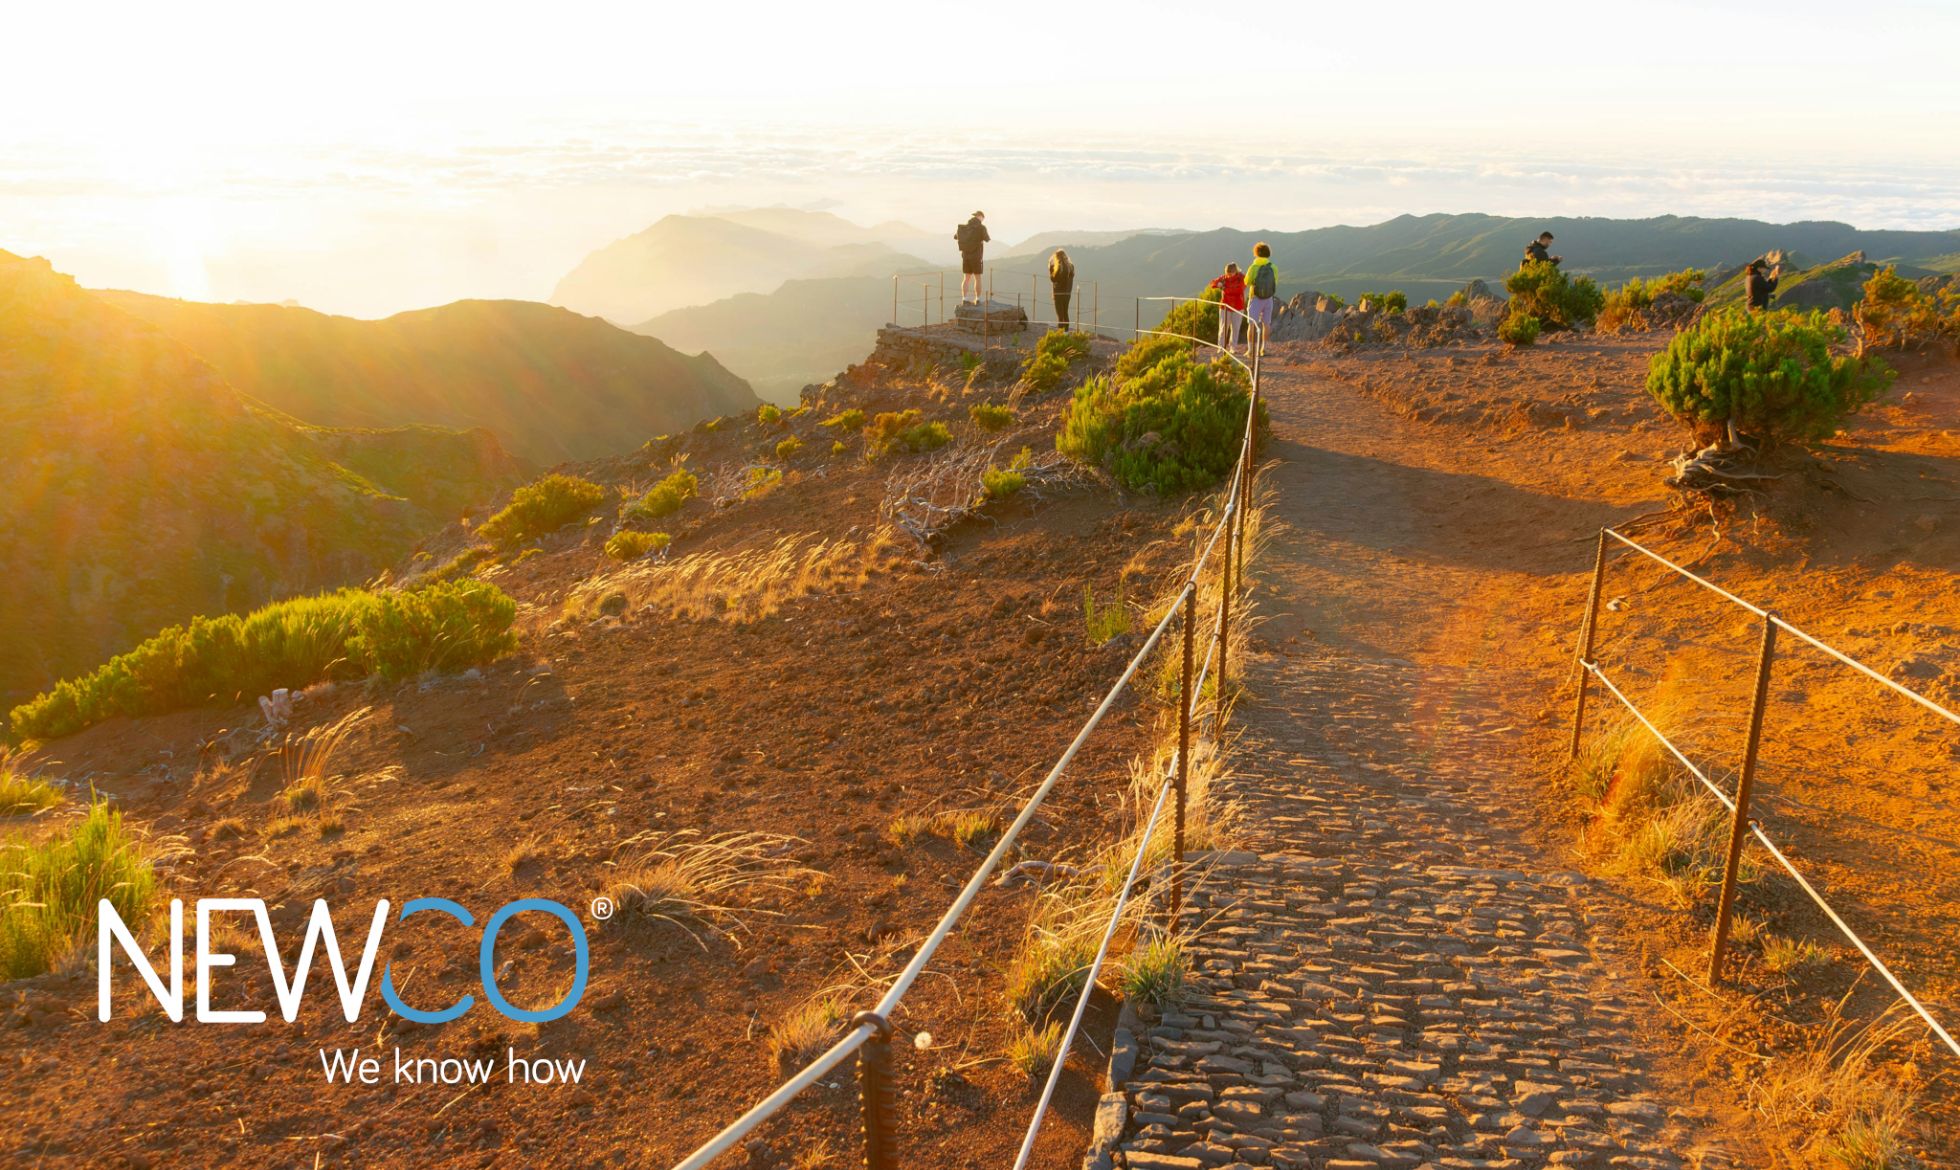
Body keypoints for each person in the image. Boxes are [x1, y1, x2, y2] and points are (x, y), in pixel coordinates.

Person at [1245, 243, 1278, 352]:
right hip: (1268, 298)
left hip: (1255, 298)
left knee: (1252, 324)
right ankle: (1265, 348)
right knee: (1266, 323)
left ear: (1256, 253)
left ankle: (1250, 350)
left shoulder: (1253, 267)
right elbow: (1275, 282)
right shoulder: (1273, 267)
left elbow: (1247, 281)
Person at [1207, 262, 1247, 353]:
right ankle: (1221, 347)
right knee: (1223, 328)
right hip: (1225, 306)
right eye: (1227, 273)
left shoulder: (1242, 278)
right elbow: (1212, 283)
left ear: (1235, 271)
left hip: (1237, 306)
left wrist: (1224, 288)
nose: (1228, 275)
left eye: (1230, 273)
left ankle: (1233, 348)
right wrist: (1217, 284)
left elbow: (1239, 290)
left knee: (1235, 328)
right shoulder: (1224, 277)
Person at [955, 211, 990, 303]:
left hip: (966, 256)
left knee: (966, 278)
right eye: (983, 218)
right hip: (976, 256)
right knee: (977, 278)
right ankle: (977, 299)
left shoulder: (964, 227)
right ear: (980, 217)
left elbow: (956, 237)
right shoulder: (981, 228)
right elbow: (987, 239)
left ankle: (964, 299)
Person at [1049, 248, 1075, 330]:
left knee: (1060, 316)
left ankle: (1060, 334)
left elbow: (1053, 279)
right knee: (1065, 313)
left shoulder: (1057, 268)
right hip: (1067, 294)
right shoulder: (1071, 267)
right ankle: (1066, 333)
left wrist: (1050, 267)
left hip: (1058, 294)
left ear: (1057, 258)